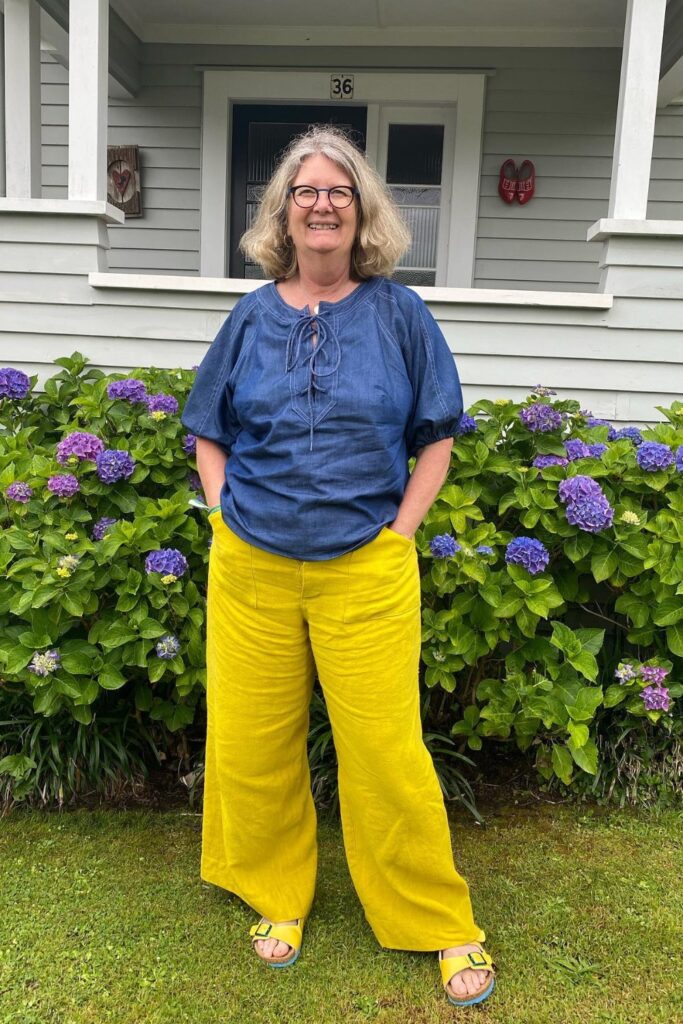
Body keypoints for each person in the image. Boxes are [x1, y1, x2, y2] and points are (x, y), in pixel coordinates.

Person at [181, 125, 496, 1009]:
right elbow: (208, 427)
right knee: (252, 741)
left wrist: (400, 535)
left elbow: (434, 436)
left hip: (367, 565)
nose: (321, 205)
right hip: (252, 566)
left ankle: (435, 919)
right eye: (305, 191)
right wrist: (219, 517)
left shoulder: (399, 313)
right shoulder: (250, 314)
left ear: (361, 213)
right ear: (284, 211)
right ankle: (277, 896)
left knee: (385, 752)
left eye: (338, 192)